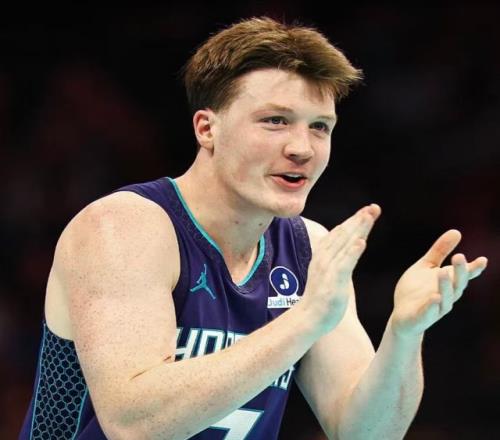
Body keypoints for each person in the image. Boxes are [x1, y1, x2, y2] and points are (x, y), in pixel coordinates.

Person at [19, 16, 488, 440]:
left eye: (320, 127)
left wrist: (404, 335)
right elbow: (135, 425)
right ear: (207, 129)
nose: (302, 148)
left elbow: (364, 432)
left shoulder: (309, 247)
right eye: (275, 121)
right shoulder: (124, 228)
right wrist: (306, 319)